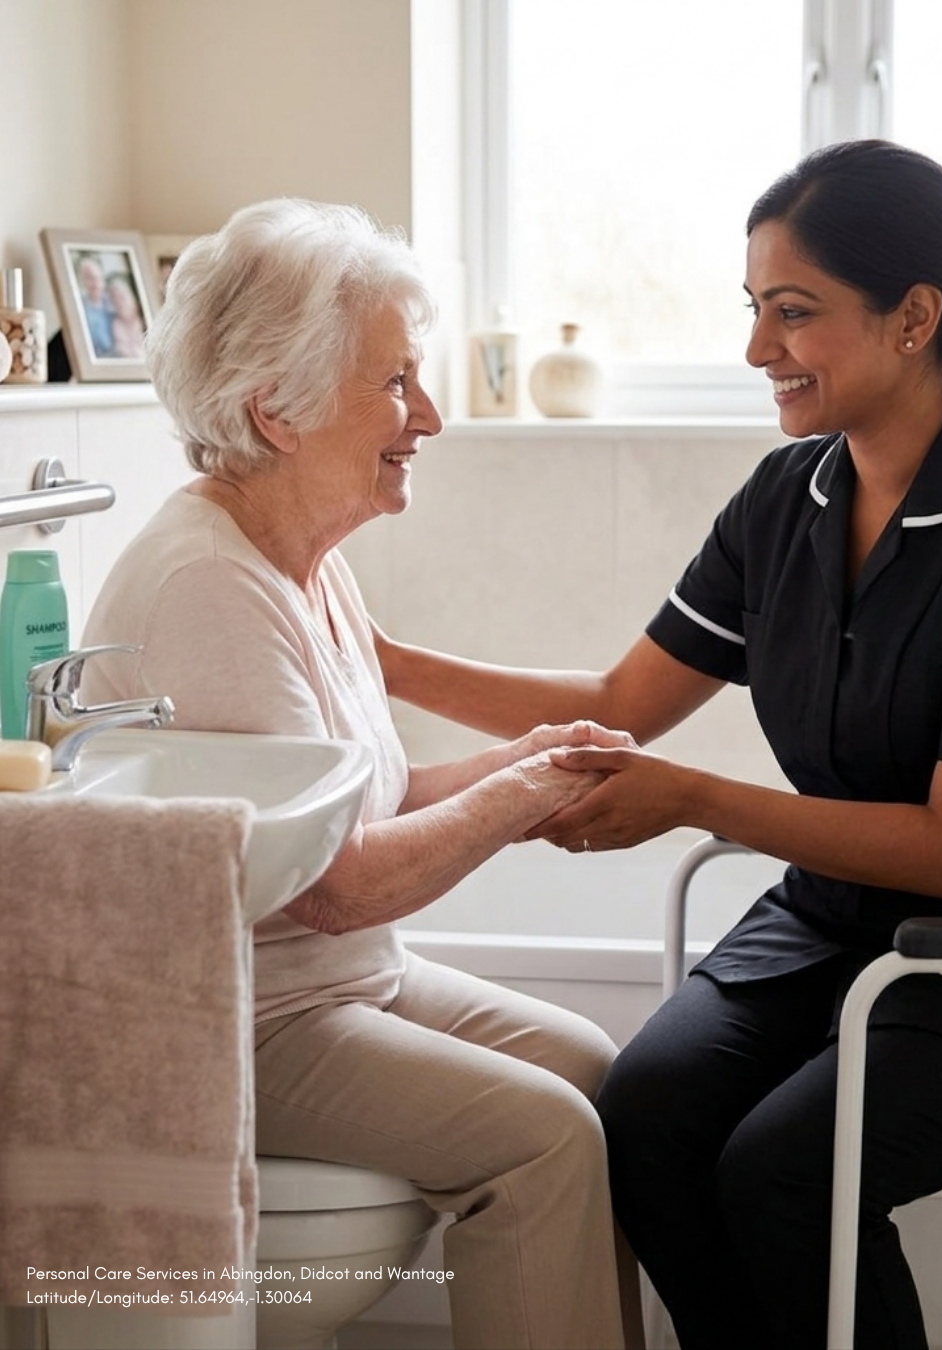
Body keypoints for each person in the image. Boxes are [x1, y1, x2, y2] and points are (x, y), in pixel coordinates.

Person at [375, 141, 942, 1349]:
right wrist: (371, 652)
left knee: (781, 1169)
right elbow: (616, 697)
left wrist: (693, 799)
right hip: (828, 921)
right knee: (639, 1121)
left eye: (793, 314)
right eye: (754, 309)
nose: (758, 350)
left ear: (914, 318)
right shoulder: (785, 499)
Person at [80, 198, 644, 1350]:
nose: (427, 416)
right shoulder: (207, 588)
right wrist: (517, 798)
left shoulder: (305, 561)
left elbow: (361, 797)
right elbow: (326, 885)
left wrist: (518, 766)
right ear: (274, 411)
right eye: (394, 384)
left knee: (596, 1071)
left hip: (338, 986)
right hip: (236, 1021)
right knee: (543, 1136)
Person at [75, 254, 114, 357]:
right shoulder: (79, 309)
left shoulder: (114, 303)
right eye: (89, 278)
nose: (94, 282)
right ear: (82, 281)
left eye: (97, 277)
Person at [106, 272, 146, 359]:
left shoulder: (145, 315)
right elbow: (122, 350)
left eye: (121, 296)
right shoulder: (115, 324)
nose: (118, 302)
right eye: (114, 298)